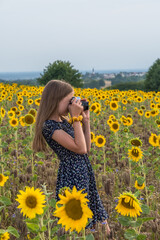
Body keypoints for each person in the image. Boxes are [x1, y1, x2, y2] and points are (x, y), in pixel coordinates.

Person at [32, 79, 110, 236]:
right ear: (55, 100)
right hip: (72, 176)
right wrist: (75, 118)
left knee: (101, 224)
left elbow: (86, 148)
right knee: (78, 225)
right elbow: (79, 148)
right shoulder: (49, 126)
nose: (72, 105)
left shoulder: (64, 121)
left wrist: (85, 120)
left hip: (84, 172)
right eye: (69, 101)